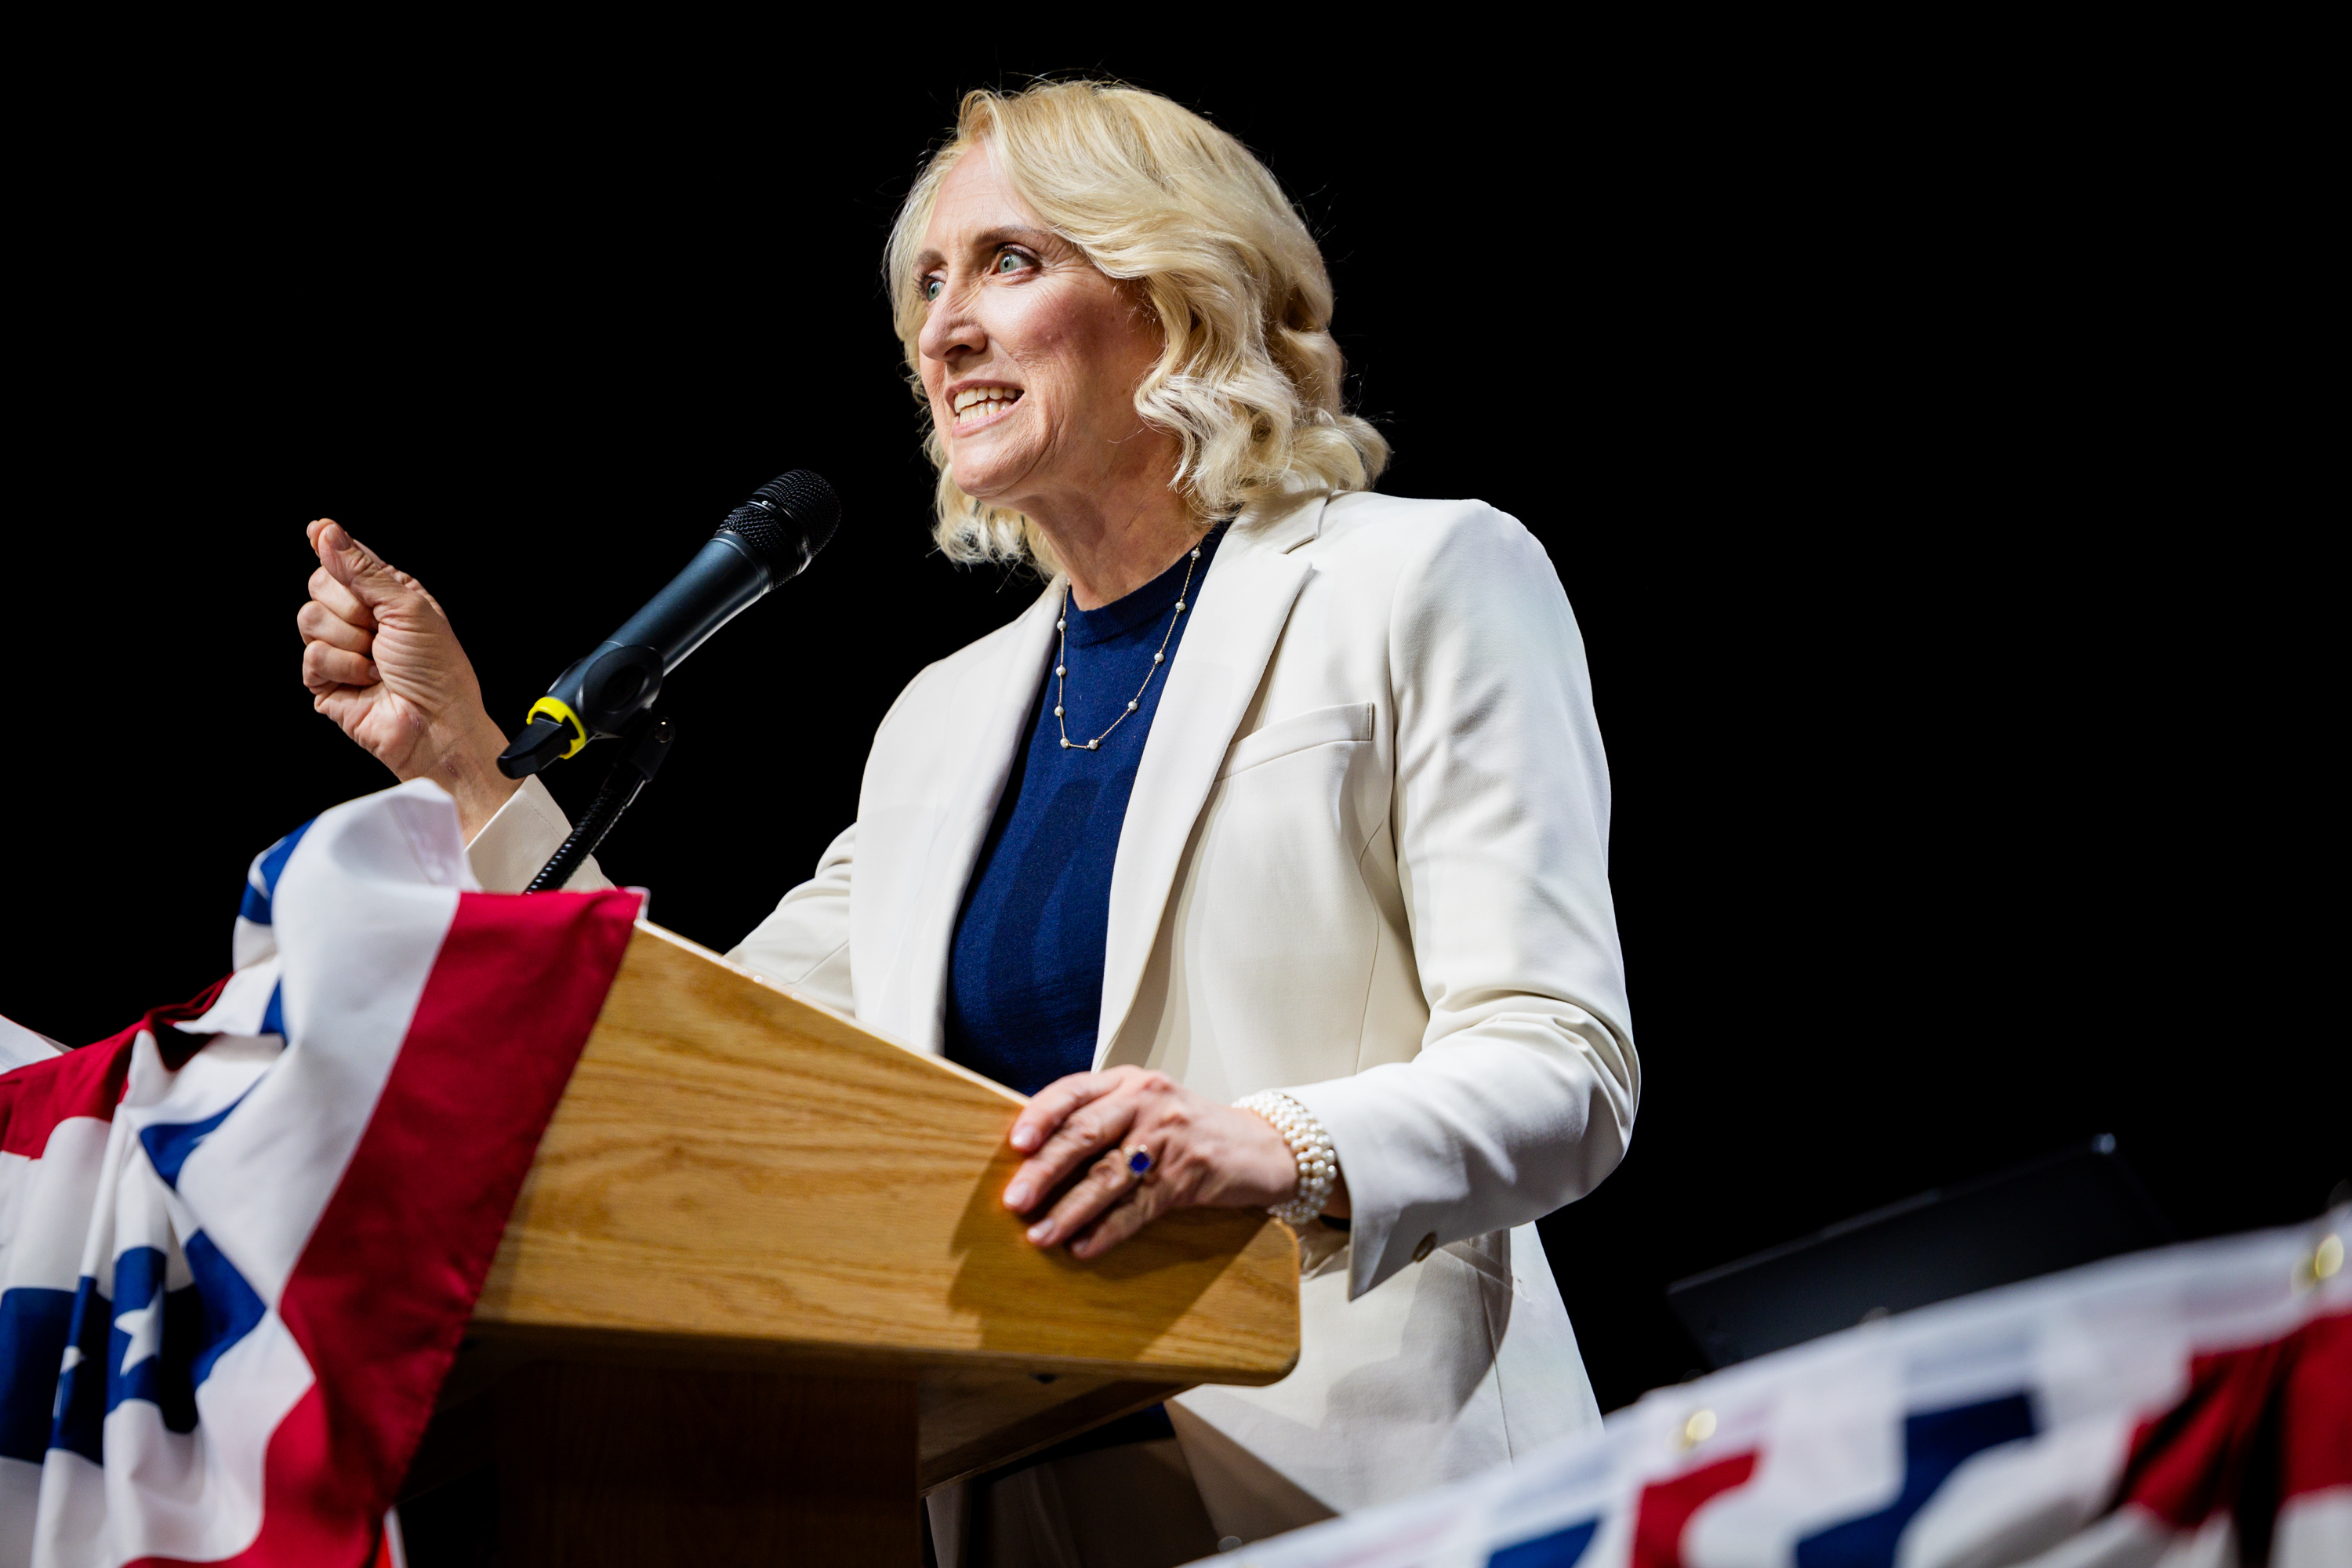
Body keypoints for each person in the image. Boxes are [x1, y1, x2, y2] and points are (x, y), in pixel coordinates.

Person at [295, 80, 1638, 1568]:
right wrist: (470, 768)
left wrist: (1268, 1144)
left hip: (1375, 1490)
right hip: (1007, 1493)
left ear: (1175, 293)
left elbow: (1560, 1066)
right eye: (927, 284)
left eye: (1008, 261)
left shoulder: (1422, 578)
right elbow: (709, 1053)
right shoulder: (943, 717)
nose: (942, 329)